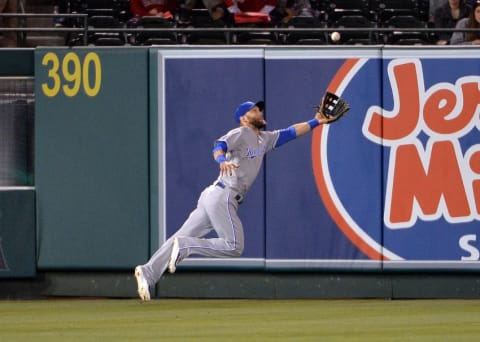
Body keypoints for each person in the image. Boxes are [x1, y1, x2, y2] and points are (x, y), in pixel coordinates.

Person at [134, 99, 335, 301]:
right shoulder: (242, 132)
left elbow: (291, 132)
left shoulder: (264, 139)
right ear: (243, 118)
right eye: (253, 110)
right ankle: (186, 247)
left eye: (259, 110)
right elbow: (219, 144)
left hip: (214, 195)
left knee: (181, 236)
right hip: (224, 194)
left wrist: (316, 121)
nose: (258, 112)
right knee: (234, 246)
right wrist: (221, 160)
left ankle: (148, 271)